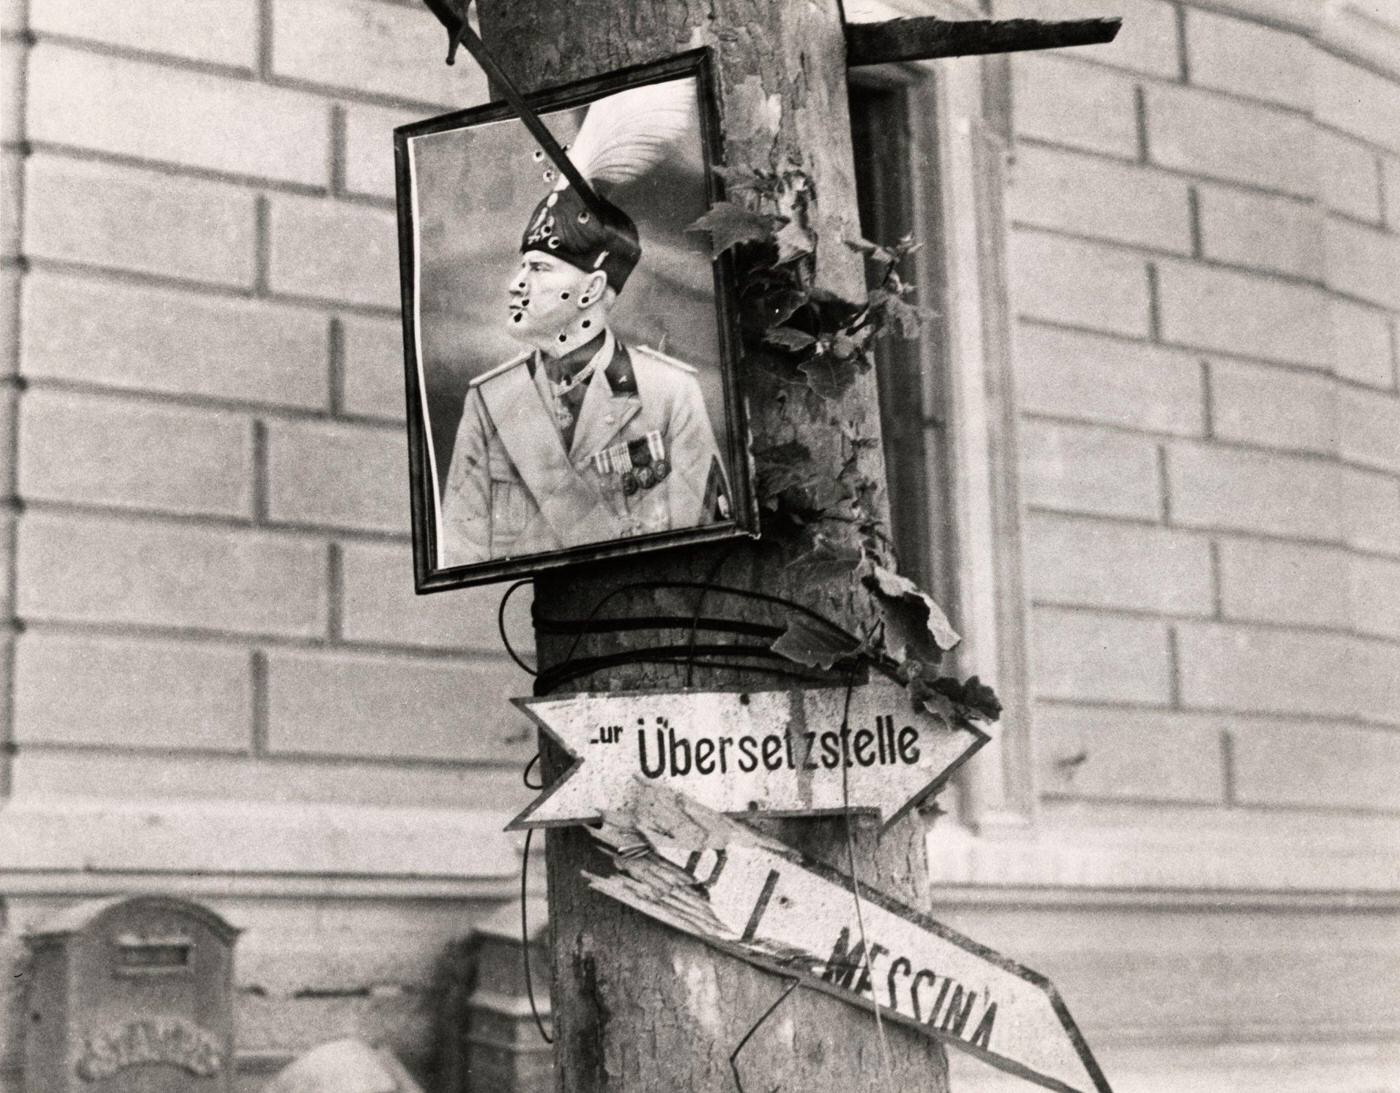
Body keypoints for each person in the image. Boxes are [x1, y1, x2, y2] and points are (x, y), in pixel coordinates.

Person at [438, 174, 730, 567]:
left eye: (538, 268)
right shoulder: (490, 402)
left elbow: (703, 533)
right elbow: (461, 550)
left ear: (590, 290)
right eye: (522, 266)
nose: (516, 284)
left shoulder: (669, 392)